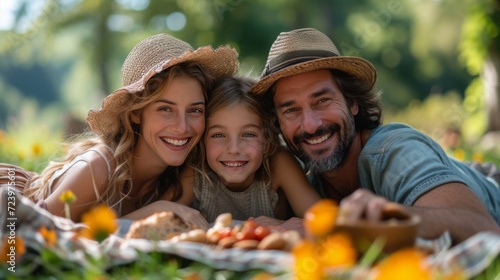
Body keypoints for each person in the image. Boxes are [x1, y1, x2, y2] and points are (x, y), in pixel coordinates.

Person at [250, 27, 500, 243]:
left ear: (353, 103)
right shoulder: (305, 183)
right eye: (291, 110)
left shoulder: (395, 150)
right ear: (277, 122)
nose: (311, 125)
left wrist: (358, 226)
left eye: (322, 101)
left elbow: (485, 229)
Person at [0, 33, 238, 227]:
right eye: (166, 109)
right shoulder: (97, 169)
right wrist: (156, 211)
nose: (183, 127)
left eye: (195, 110)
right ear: (135, 113)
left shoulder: (182, 178)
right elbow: (34, 235)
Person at [170, 76, 320, 223]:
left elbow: (322, 220)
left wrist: (282, 226)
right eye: (218, 135)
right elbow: (160, 217)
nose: (234, 149)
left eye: (248, 134)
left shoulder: (279, 165)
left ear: (267, 141)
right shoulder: (197, 174)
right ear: (202, 141)